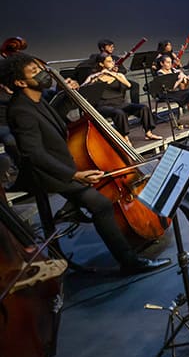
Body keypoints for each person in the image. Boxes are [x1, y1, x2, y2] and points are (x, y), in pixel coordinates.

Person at [0, 53, 170, 274]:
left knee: (97, 199)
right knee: (101, 205)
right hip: (46, 173)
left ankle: (73, 208)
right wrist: (75, 175)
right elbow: (34, 154)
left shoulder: (37, 98)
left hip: (64, 164)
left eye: (40, 68)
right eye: (34, 72)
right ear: (20, 82)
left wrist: (68, 94)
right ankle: (129, 262)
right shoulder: (20, 110)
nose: (42, 74)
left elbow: (58, 123)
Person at [81, 53, 161, 143]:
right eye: (109, 61)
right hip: (104, 105)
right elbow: (82, 88)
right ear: (101, 64)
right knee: (119, 113)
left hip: (120, 103)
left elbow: (129, 85)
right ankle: (125, 138)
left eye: (112, 61)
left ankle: (148, 133)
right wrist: (93, 80)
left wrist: (114, 75)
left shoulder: (119, 75)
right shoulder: (94, 76)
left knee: (143, 108)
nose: (112, 63)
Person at [153, 54, 189, 123]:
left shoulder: (173, 70)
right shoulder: (160, 74)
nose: (170, 64)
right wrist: (179, 80)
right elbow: (170, 88)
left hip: (176, 92)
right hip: (167, 93)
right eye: (168, 62)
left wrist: (188, 81)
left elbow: (183, 88)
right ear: (162, 63)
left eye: (170, 62)